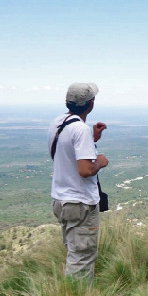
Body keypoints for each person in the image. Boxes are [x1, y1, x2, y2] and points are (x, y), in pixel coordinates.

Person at [48, 82, 108, 284]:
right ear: (91, 104)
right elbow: (84, 170)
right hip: (80, 203)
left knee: (74, 253)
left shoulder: (59, 123)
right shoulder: (80, 129)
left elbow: (65, 154)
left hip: (61, 200)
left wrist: (92, 138)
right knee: (82, 258)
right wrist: (99, 162)